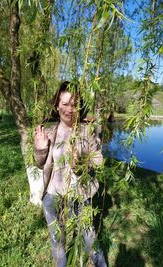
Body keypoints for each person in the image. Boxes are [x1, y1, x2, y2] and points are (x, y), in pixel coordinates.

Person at [34, 81, 107, 267]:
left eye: (74, 104)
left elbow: (99, 161)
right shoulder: (50, 132)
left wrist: (84, 164)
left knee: (89, 237)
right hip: (53, 196)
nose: (69, 109)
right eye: (65, 104)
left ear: (80, 106)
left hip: (81, 195)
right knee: (57, 241)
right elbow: (41, 164)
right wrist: (40, 150)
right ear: (57, 105)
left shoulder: (87, 132)